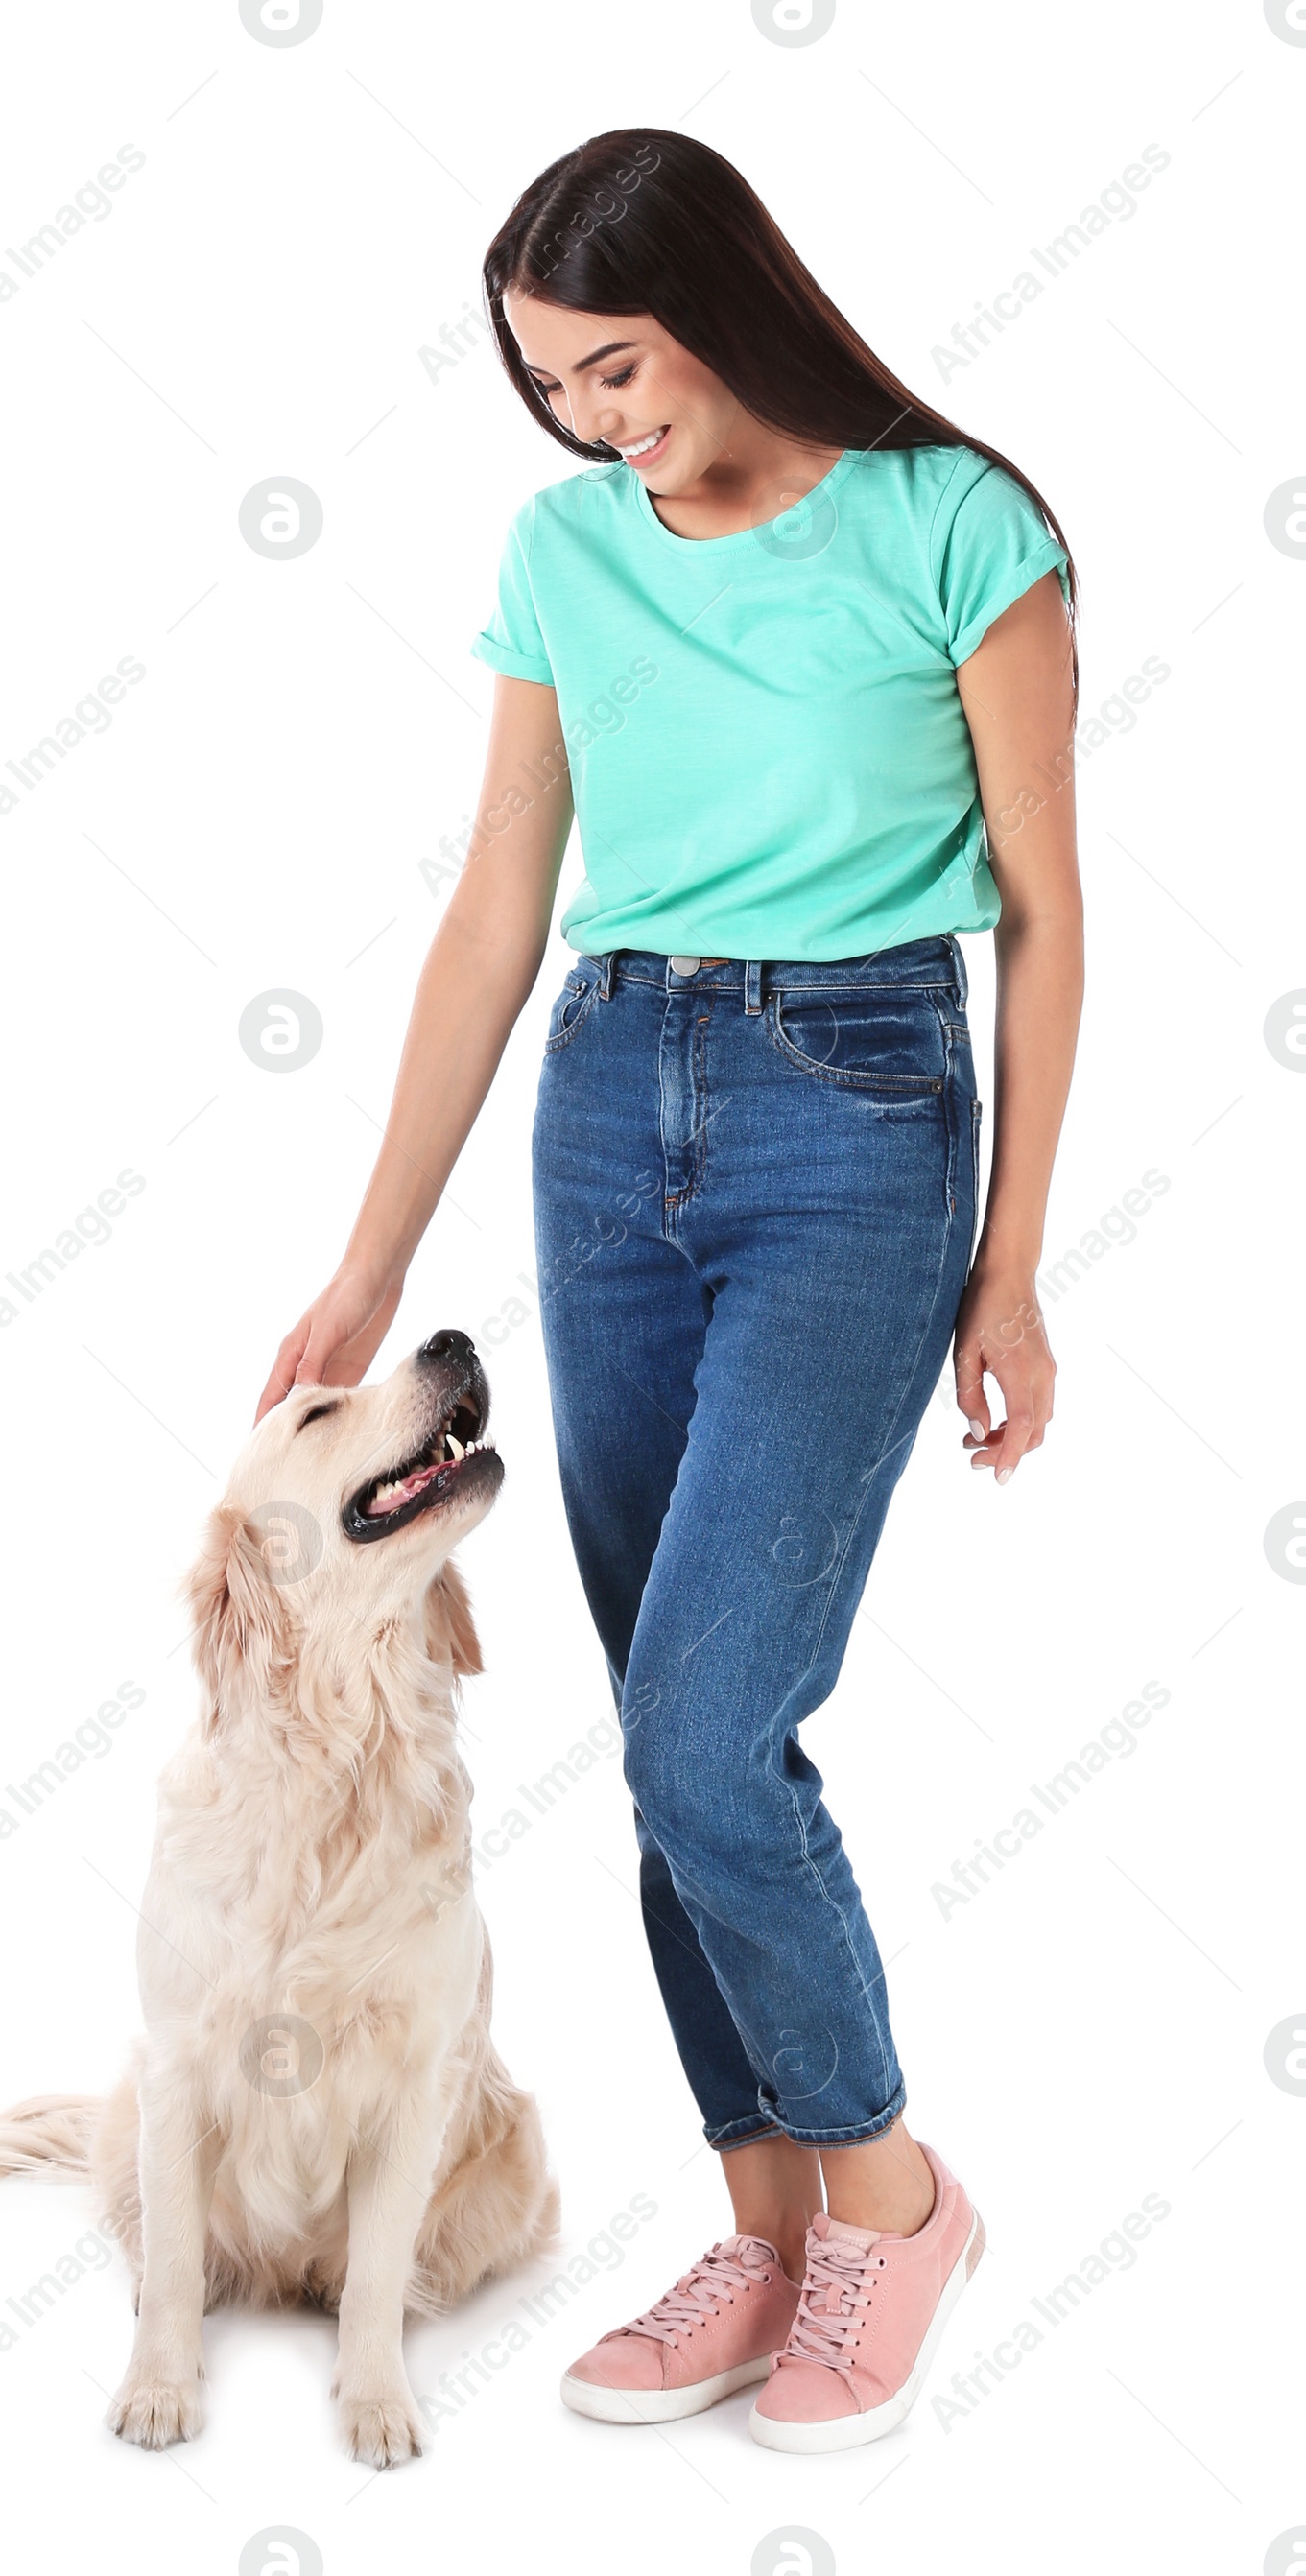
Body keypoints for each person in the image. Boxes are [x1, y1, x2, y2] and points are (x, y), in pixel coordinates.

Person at [255, 129, 1082, 2453]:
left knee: (712, 1725)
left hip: (855, 1112)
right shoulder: (559, 554)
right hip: (610, 1110)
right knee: (657, 1735)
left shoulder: (949, 525)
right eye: (548, 385)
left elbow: (1043, 912)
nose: (594, 417)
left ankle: (892, 2198)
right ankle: (769, 2226)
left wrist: (1009, 1255)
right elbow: (494, 911)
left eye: (614, 362)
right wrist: (367, 1256)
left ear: (723, 295)